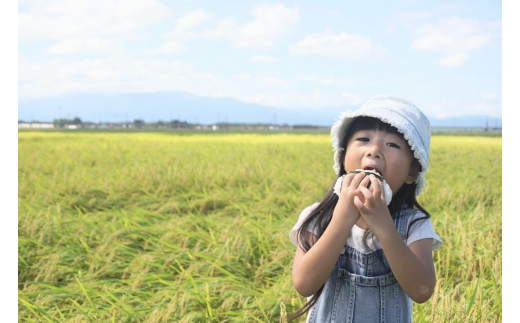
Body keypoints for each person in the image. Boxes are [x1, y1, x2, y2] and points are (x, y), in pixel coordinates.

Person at [287, 95, 443, 322]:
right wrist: (341, 220)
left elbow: (422, 291)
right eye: (363, 139)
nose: (374, 150)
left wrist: (384, 227)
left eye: (392, 144)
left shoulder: (413, 224)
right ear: (342, 156)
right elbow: (304, 283)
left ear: (412, 172)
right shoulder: (317, 216)